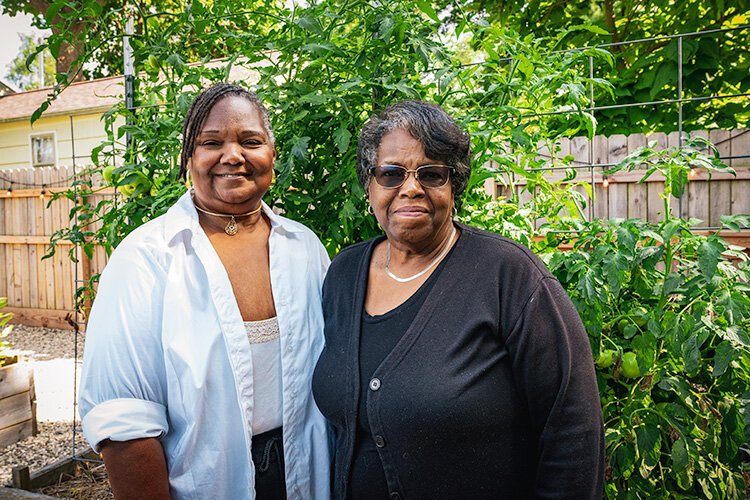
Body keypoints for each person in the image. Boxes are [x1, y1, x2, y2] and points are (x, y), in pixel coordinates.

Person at [312, 100, 604, 499]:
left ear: (454, 187)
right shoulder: (344, 275)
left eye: (431, 174)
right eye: (391, 173)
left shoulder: (509, 277)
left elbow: (573, 428)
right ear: (370, 186)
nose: (410, 187)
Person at [78, 83, 330, 500]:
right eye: (211, 142)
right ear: (189, 157)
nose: (233, 156)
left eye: (251, 141)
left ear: (272, 153)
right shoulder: (147, 257)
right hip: (203, 482)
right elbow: (124, 422)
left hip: (308, 474)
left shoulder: (304, 248)